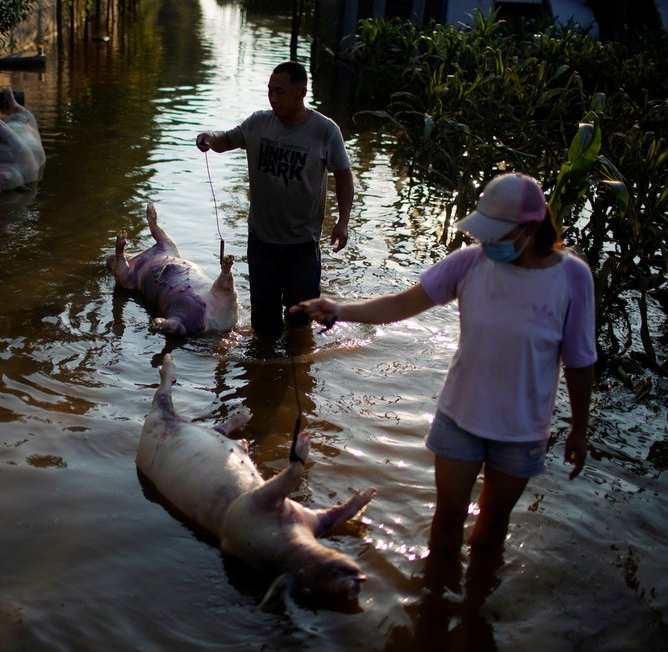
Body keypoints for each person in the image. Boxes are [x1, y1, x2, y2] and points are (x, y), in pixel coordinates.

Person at [291, 172, 596, 556]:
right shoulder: (469, 263)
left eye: (497, 233)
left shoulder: (571, 277)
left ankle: (473, 607)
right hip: (460, 417)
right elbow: (402, 304)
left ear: (531, 227)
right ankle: (437, 600)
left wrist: (579, 430)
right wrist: (340, 309)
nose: (486, 242)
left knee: (491, 530)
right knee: (448, 519)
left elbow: (581, 361)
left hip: (522, 430)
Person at [196, 60, 355, 335]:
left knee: (300, 321)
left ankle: (296, 370)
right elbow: (227, 140)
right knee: (264, 321)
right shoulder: (259, 123)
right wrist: (209, 137)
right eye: (270, 91)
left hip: (302, 244)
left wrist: (343, 222)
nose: (273, 98)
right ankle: (263, 371)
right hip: (262, 241)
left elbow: (344, 175)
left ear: (301, 92)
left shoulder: (325, 131)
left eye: (280, 91)